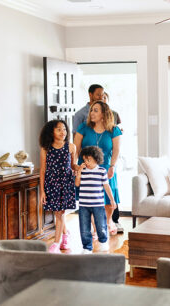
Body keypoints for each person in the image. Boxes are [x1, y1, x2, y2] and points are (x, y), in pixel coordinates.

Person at [73, 84, 124, 234]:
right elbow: (76, 149)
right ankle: (95, 228)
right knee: (89, 200)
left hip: (106, 167)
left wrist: (112, 166)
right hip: (86, 168)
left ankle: (107, 222)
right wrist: (75, 166)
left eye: (95, 110)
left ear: (103, 113)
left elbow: (117, 150)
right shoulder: (83, 127)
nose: (91, 113)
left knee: (108, 200)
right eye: (91, 110)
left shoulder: (114, 129)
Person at [39, 120, 77, 253]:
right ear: (52, 132)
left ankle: (56, 243)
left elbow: (73, 166)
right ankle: (66, 235)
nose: (63, 132)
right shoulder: (45, 148)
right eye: (59, 129)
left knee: (60, 213)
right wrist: (42, 191)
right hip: (51, 183)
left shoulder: (71, 147)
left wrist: (80, 168)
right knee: (58, 212)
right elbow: (43, 170)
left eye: (64, 129)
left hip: (65, 182)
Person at [75, 146, 116, 253]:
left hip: (98, 204)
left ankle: (103, 242)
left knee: (101, 224)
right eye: (84, 160)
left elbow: (107, 186)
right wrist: (79, 172)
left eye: (88, 159)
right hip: (84, 205)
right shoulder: (82, 171)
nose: (86, 162)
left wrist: (112, 200)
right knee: (84, 227)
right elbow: (77, 184)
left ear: (96, 158)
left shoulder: (102, 171)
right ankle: (87, 247)